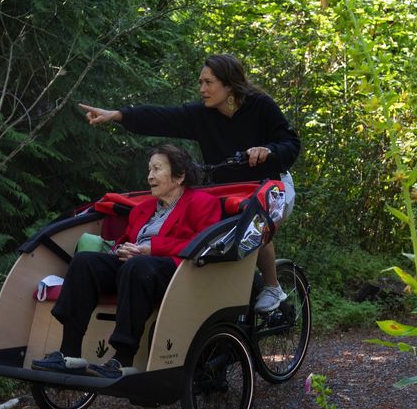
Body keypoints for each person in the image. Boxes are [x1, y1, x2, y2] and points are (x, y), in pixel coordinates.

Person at [78, 53, 300, 312]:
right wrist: (116, 115)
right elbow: (161, 117)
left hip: (272, 188)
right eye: (200, 82)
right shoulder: (202, 115)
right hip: (228, 191)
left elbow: (291, 144)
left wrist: (269, 150)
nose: (202, 89)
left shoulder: (260, 106)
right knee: (216, 235)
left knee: (253, 223)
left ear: (229, 85)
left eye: (209, 83)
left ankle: (273, 287)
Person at [32, 145, 222, 378]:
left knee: (136, 266)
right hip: (135, 267)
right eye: (149, 169)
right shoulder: (142, 210)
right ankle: (69, 353)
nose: (149, 176)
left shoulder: (202, 202)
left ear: (179, 176)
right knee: (84, 262)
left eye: (157, 169)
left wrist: (151, 249)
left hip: (175, 272)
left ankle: (123, 358)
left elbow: (204, 243)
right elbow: (125, 241)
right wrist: (121, 249)